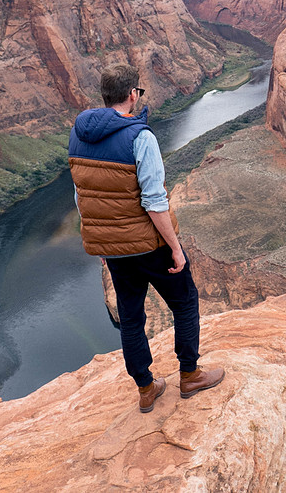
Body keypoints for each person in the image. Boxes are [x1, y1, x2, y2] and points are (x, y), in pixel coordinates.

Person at [68, 64, 224, 413]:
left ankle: (146, 388)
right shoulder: (140, 137)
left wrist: (101, 242)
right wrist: (174, 248)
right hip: (148, 245)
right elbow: (154, 202)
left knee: (130, 316)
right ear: (132, 95)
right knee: (184, 302)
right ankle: (190, 374)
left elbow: (82, 195)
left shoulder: (78, 135)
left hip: (114, 249)